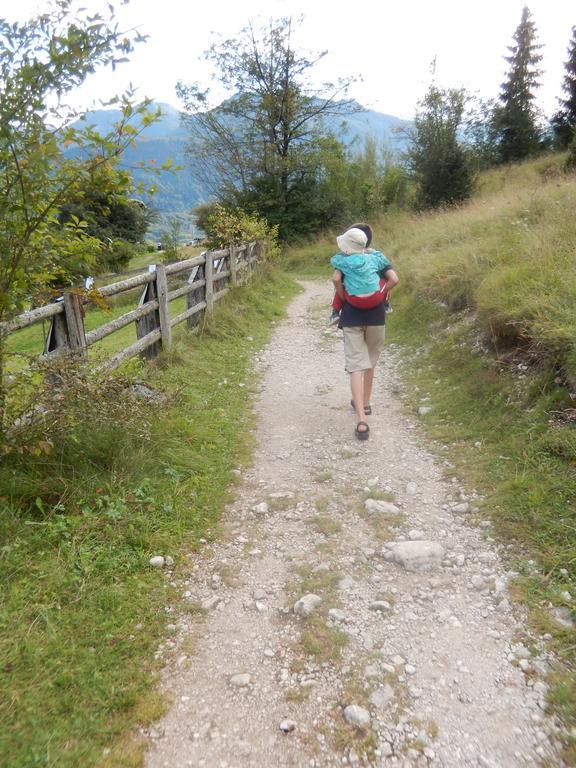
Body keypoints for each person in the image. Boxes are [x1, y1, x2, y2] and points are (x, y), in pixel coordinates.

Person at [330, 226, 399, 440]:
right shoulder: (376, 258)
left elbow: (335, 279)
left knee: (355, 367)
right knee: (370, 362)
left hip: (352, 316)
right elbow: (394, 279)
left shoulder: (343, 261)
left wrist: (342, 295)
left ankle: (361, 420)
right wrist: (381, 294)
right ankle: (366, 403)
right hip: (376, 316)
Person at [328, 223, 391, 325]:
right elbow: (387, 265)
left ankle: (335, 312)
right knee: (384, 280)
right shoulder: (373, 259)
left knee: (341, 284)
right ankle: (386, 304)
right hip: (375, 297)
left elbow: (335, 277)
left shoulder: (343, 261)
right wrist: (373, 252)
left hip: (352, 299)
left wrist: (343, 254)